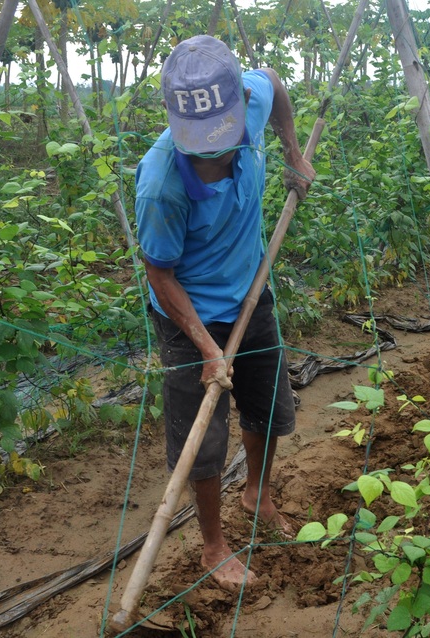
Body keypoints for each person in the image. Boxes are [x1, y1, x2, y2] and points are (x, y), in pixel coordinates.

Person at [134, 35, 315, 590]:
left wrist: (292, 151)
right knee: (203, 440)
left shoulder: (251, 101)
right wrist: (208, 347)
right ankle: (215, 544)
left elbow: (275, 82)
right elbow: (160, 275)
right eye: (204, 145)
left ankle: (257, 494)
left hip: (250, 293)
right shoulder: (162, 184)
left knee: (267, 407)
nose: (219, 151)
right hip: (188, 315)